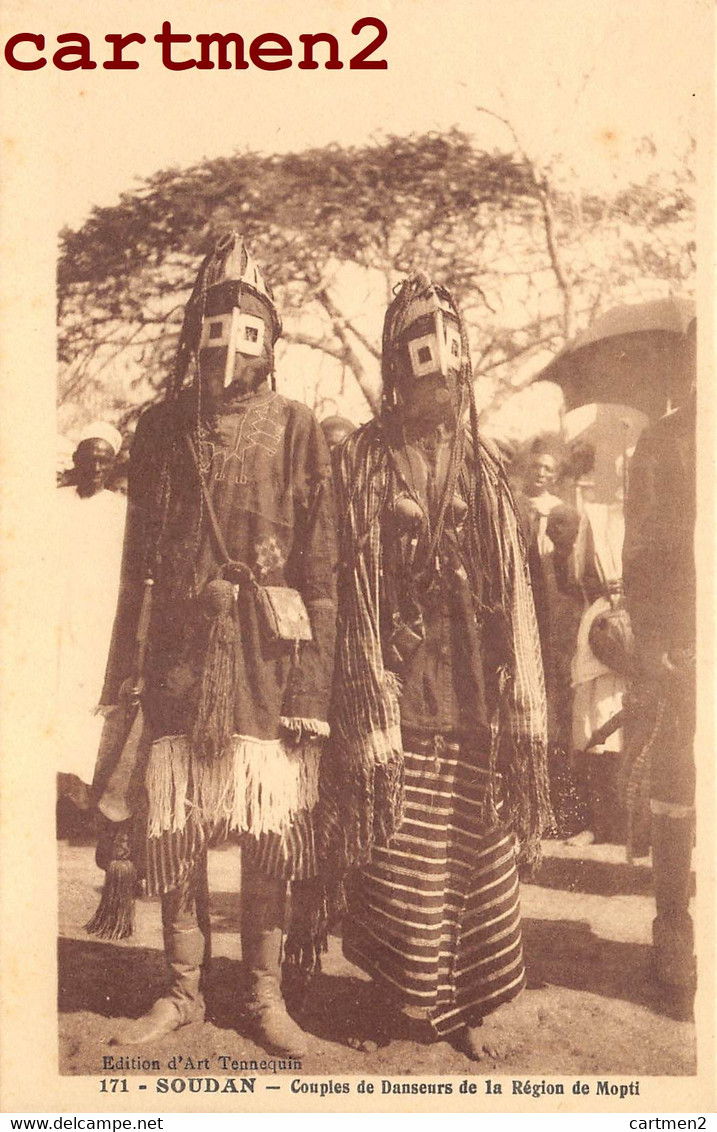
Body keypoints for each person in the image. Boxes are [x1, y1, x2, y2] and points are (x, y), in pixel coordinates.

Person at [91, 233, 338, 1055]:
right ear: (195, 333)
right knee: (178, 822)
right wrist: (125, 676)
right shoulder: (161, 427)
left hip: (270, 658)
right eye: (215, 323)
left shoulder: (300, 428)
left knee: (266, 829)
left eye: (249, 328)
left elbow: (323, 572)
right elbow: (135, 567)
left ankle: (264, 995)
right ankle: (182, 989)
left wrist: (309, 696)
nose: (231, 343)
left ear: (272, 343)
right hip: (177, 656)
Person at [296, 272, 550, 1059]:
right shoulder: (365, 459)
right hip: (392, 689)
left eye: (449, 360)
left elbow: (514, 583)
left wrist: (510, 672)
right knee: (392, 850)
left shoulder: (483, 464)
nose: (437, 376)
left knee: (470, 852)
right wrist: (389, 531)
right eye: (421, 359)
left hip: (471, 684)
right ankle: (392, 1002)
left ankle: (458, 1008)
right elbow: (337, 568)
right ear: (397, 369)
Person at [622, 321, 697, 1020]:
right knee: (679, 778)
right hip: (684, 642)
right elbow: (638, 547)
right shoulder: (664, 439)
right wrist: (652, 641)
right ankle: (671, 925)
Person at [56, 422, 126, 820]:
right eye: (89, 458)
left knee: (87, 705)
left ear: (113, 464)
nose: (96, 467)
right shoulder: (54, 503)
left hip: (98, 618)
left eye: (104, 460)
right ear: (75, 461)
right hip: (54, 615)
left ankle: (81, 800)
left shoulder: (121, 510)